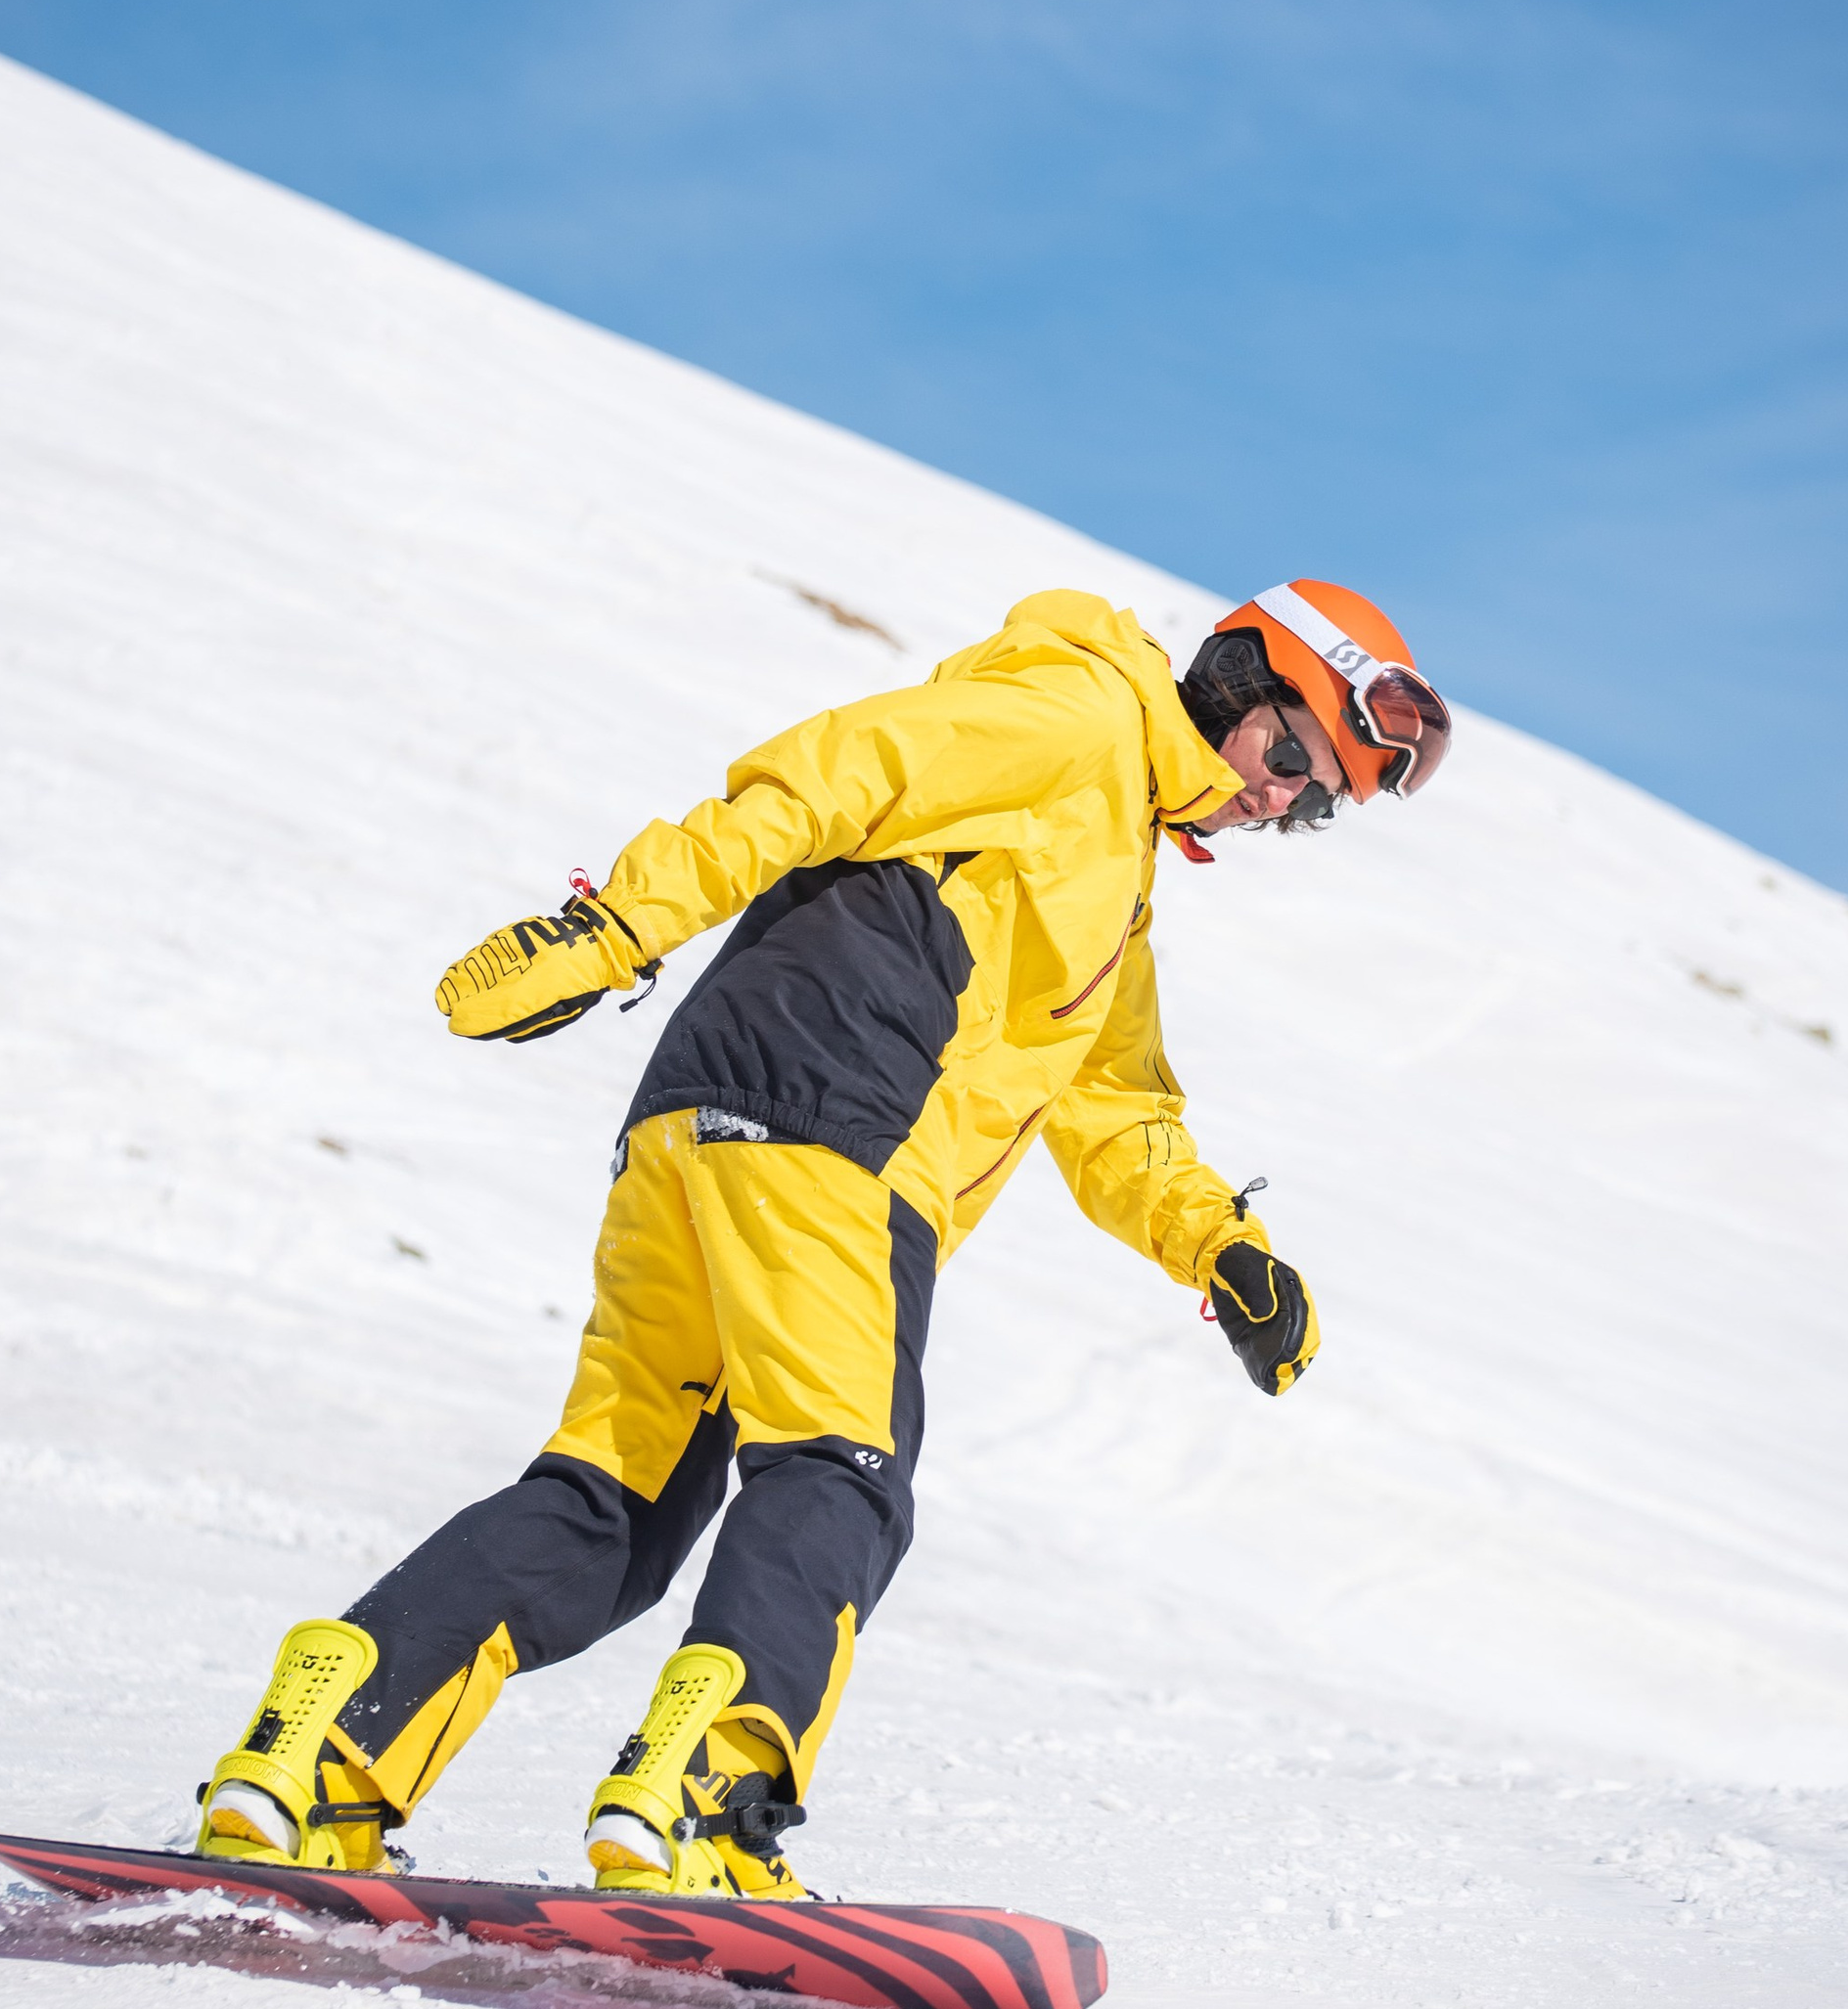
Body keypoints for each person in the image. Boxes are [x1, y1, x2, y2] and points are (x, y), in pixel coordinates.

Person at [192, 580, 1451, 1898]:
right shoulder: (1078, 716)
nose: (1277, 798)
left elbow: (1116, 1107)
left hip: (702, 1122)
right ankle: (706, 1809)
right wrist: (617, 926)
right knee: (839, 1473)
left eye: (1313, 805)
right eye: (1291, 753)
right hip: (841, 1127)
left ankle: (316, 1754)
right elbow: (834, 772)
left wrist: (1221, 1248)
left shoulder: (1112, 874)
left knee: (616, 1499)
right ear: (1241, 676)